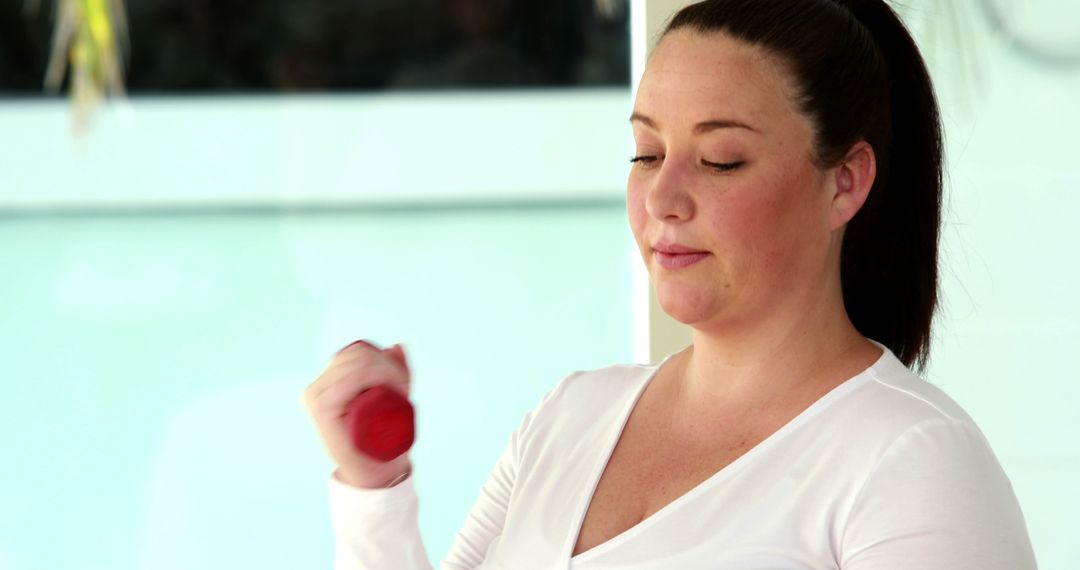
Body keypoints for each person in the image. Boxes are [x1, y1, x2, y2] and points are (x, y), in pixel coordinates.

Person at [302, 0, 1037, 567]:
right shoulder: (569, 418)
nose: (663, 199)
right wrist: (374, 488)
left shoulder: (910, 461)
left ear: (844, 182)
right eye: (647, 153)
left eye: (720, 160)